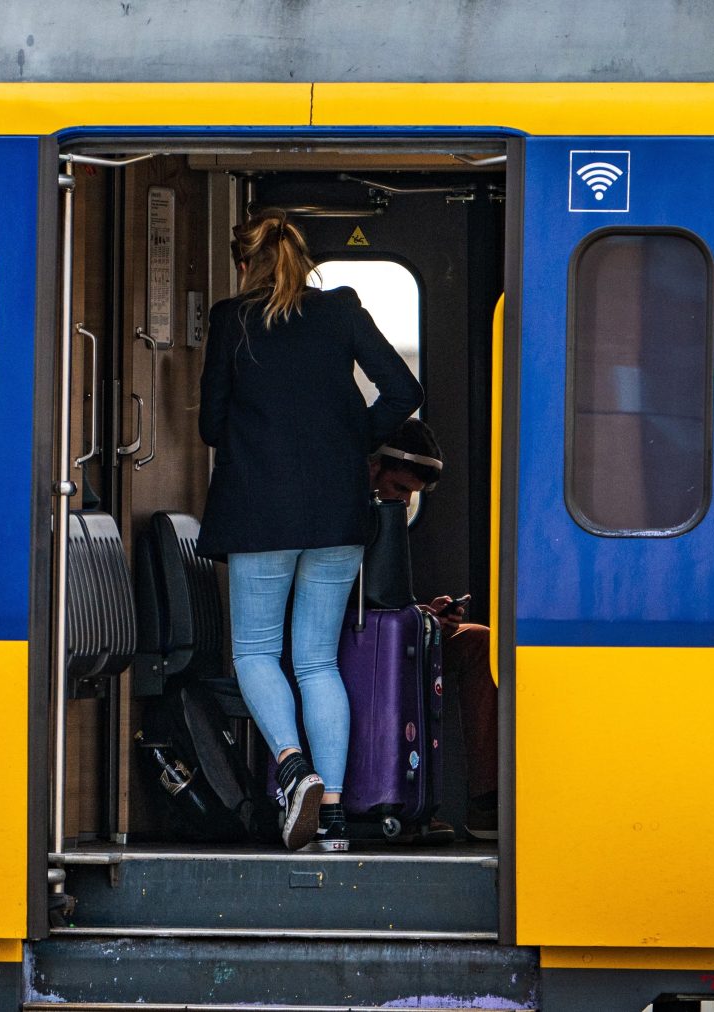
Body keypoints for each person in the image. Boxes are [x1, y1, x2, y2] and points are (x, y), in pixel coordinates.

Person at [198, 212, 422, 851]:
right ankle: (330, 816)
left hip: (259, 513)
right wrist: (353, 440)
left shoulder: (232, 321)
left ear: (246, 266)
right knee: (318, 659)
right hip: (335, 512)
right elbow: (402, 389)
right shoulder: (341, 311)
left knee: (256, 653)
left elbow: (212, 427)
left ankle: (294, 767)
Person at [368, 419, 498, 841]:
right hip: (360, 642)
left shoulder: (380, 517)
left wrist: (425, 615)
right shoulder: (350, 513)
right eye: (400, 488)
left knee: (479, 642)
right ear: (373, 468)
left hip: (385, 631)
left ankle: (486, 802)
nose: (404, 502)